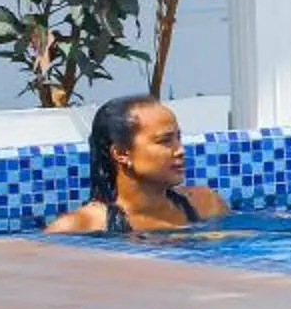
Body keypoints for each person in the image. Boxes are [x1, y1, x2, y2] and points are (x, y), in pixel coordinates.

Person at [46, 96, 231, 235]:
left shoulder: (206, 205)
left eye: (178, 138)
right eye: (165, 141)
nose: (180, 150)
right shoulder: (79, 227)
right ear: (121, 153)